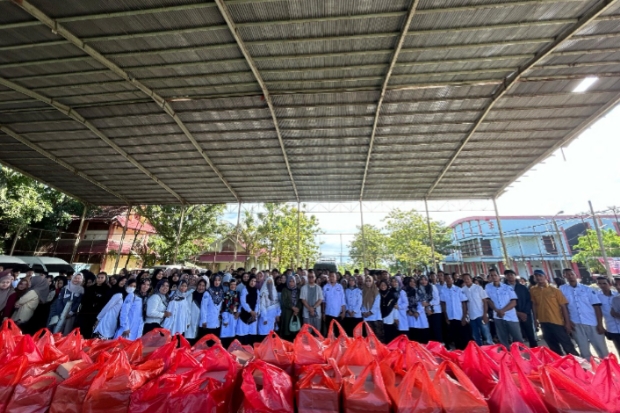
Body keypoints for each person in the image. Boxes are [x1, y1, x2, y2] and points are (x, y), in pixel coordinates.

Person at [559, 269, 608, 359]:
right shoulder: (562, 289)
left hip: (592, 323)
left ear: (576, 275)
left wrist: (600, 324)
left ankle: (609, 370)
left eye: (572, 274)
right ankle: (589, 372)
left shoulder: (587, 289)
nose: (570, 276)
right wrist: (568, 321)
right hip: (576, 324)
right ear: (564, 276)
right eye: (567, 275)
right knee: (584, 351)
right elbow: (563, 307)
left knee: (602, 350)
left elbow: (597, 307)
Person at [530, 270, 578, 356]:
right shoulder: (533, 290)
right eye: (536, 276)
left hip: (557, 322)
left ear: (546, 277)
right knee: (553, 347)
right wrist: (535, 320)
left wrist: (567, 323)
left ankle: (578, 364)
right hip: (543, 322)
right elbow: (534, 305)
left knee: (567, 346)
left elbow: (563, 306)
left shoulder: (555, 290)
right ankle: (561, 365)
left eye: (540, 276)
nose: (538, 278)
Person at [504, 270, 537, 348]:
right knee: (517, 336)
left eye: (511, 274)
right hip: (512, 315)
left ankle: (535, 351)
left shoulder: (523, 287)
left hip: (525, 314)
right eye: (508, 275)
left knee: (530, 334)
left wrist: (525, 312)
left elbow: (528, 301)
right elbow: (504, 302)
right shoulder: (504, 288)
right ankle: (520, 353)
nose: (510, 276)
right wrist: (517, 313)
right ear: (505, 277)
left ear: (515, 276)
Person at [461, 273, 492, 346]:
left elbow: (485, 301)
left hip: (481, 314)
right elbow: (464, 304)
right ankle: (479, 350)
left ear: (471, 279)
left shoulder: (478, 288)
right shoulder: (463, 290)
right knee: (476, 336)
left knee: (486, 334)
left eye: (467, 278)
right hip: (471, 316)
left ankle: (490, 350)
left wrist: (485, 314)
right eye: (464, 279)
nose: (466, 280)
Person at [440, 273, 469, 350]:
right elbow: (443, 304)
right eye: (446, 279)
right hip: (450, 316)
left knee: (463, 336)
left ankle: (465, 352)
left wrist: (464, 317)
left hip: (459, 316)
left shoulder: (458, 289)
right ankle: (458, 352)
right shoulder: (443, 291)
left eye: (449, 278)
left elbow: (464, 303)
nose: (448, 280)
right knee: (455, 336)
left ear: (452, 280)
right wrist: (446, 317)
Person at [78, 272, 111, 339]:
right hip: (85, 312)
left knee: (90, 331)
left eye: (102, 278)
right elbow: (84, 299)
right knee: (81, 329)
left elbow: (105, 303)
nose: (100, 279)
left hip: (96, 314)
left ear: (105, 279)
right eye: (98, 277)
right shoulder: (91, 288)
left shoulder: (107, 289)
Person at [596, 276, 620, 353]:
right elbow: (598, 312)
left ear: (609, 284)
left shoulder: (617, 295)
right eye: (599, 284)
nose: (602, 285)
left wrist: (616, 314)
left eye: (604, 283)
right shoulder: (597, 297)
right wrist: (600, 325)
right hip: (612, 328)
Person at [417, 275, 442, 343]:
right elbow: (420, 301)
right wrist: (426, 308)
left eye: (425, 279)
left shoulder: (432, 287)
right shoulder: (419, 289)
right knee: (429, 330)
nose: (423, 281)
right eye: (421, 280)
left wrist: (428, 304)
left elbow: (437, 300)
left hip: (435, 311)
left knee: (436, 330)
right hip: (426, 312)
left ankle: (439, 347)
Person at [405, 277, 429, 344]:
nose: (412, 283)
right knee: (413, 337)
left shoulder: (419, 291)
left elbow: (422, 303)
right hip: (410, 315)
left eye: (414, 282)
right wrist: (408, 310)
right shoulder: (405, 292)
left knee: (422, 336)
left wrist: (418, 312)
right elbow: (404, 303)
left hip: (420, 315)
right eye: (411, 281)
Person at [322, 271, 346, 336]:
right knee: (329, 332)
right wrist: (323, 313)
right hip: (328, 313)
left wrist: (343, 312)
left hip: (337, 313)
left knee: (338, 332)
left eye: (333, 276)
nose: (332, 278)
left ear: (336, 278)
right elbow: (323, 301)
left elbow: (342, 300)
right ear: (328, 277)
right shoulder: (325, 287)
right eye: (330, 276)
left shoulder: (340, 287)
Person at [238, 276, 259, 345]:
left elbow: (258, 302)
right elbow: (243, 302)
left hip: (253, 316)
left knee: (251, 333)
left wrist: (255, 312)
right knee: (244, 333)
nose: (253, 283)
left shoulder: (257, 291)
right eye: (251, 281)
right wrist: (250, 311)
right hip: (245, 314)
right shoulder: (245, 290)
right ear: (249, 281)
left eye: (254, 281)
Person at [361, 275, 383, 341]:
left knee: (377, 336)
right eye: (366, 281)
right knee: (368, 336)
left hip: (375, 316)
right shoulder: (363, 291)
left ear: (372, 282)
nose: (368, 282)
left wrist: (370, 312)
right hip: (366, 317)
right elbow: (361, 303)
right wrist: (363, 312)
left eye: (370, 281)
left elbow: (376, 304)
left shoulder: (376, 291)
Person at [280, 275, 301, 341]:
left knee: (296, 330)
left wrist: (297, 309)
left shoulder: (298, 290)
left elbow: (300, 300)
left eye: (293, 281)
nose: (291, 283)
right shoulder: (285, 290)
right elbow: (284, 300)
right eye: (290, 281)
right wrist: (292, 307)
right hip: (287, 312)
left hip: (296, 313)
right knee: (287, 330)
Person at [185, 279, 206, 344]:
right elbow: (187, 309)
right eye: (200, 285)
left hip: (200, 323)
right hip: (190, 322)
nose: (201, 287)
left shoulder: (206, 296)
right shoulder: (191, 295)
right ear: (197, 285)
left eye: (203, 286)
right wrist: (187, 321)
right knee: (188, 341)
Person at [221, 279, 240, 348]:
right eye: (231, 284)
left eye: (234, 284)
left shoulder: (237, 294)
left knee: (232, 337)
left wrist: (236, 312)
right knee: (225, 336)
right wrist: (225, 319)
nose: (233, 286)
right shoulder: (226, 293)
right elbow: (224, 306)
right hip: (227, 316)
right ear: (229, 285)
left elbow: (237, 305)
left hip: (234, 316)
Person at [379, 279, 399, 344]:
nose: (383, 286)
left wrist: (395, 317)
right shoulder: (378, 294)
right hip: (381, 316)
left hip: (390, 316)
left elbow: (395, 306)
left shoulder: (391, 294)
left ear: (387, 286)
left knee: (390, 333)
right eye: (381, 285)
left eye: (384, 285)